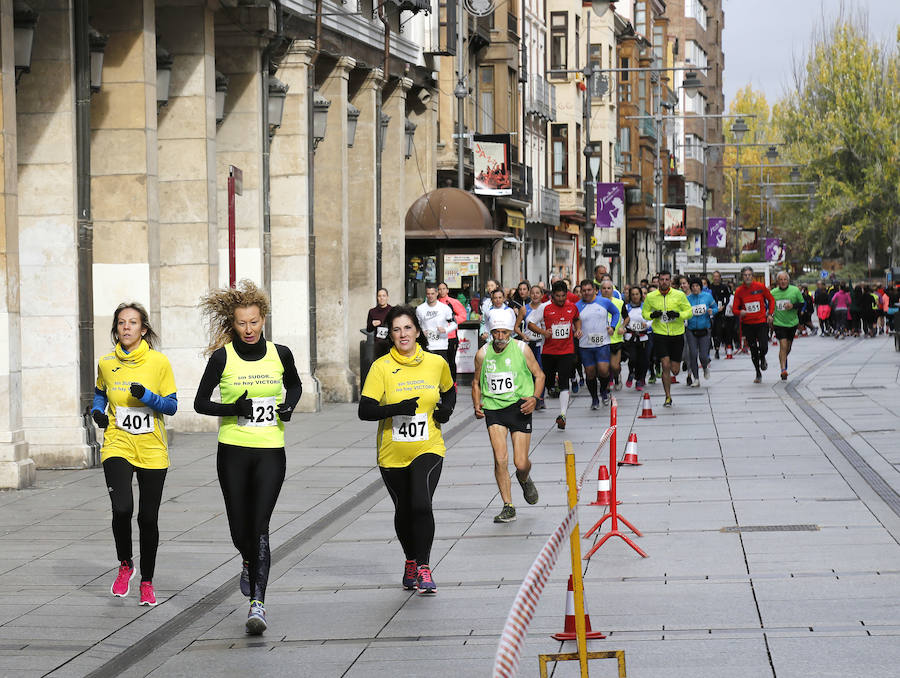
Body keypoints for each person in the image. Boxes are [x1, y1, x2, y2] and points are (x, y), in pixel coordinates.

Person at [194, 281, 302, 635]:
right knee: (240, 528)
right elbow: (199, 403)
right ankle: (246, 559)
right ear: (233, 324)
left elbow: (296, 385)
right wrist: (232, 408)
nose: (249, 329)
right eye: (242, 323)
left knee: (259, 527)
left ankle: (258, 602)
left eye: (254, 322)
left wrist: (288, 405)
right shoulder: (223, 357)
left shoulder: (280, 353)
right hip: (234, 450)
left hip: (271, 449)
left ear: (263, 320)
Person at [358, 306, 455, 594]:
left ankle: (424, 567)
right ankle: (410, 560)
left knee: (421, 504)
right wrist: (396, 409)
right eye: (397, 329)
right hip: (392, 451)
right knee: (404, 509)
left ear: (417, 331)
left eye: (408, 328)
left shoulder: (436, 363)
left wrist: (446, 410)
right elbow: (365, 410)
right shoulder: (381, 367)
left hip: (428, 446)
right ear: (391, 334)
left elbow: (448, 391)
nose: (403, 334)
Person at [92, 303, 177, 608]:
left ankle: (147, 581)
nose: (126, 327)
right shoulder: (105, 362)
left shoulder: (159, 363)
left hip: (152, 449)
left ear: (143, 329)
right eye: (121, 323)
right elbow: (100, 392)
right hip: (117, 443)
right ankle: (125, 564)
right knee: (121, 509)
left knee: (148, 518)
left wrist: (147, 397)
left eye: (133, 323)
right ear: (116, 328)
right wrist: (98, 412)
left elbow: (171, 406)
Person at [472, 308, 544, 523]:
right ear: (491, 332)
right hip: (494, 409)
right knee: (500, 459)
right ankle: (508, 505)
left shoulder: (522, 349)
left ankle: (524, 478)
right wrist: (477, 404)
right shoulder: (483, 353)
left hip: (519, 407)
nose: (501, 337)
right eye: (496, 333)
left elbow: (539, 375)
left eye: (505, 332)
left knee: (520, 463)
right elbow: (476, 383)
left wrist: (535, 399)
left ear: (511, 332)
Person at [528, 280, 581, 429]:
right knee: (549, 383)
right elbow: (530, 323)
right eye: (558, 296)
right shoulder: (544, 308)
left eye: (563, 296)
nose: (561, 299)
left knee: (564, 381)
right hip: (549, 352)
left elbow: (577, 319)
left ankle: (563, 415)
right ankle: (553, 385)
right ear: (552, 295)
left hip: (567, 350)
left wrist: (577, 329)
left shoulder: (572, 307)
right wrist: (543, 332)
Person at [642, 271, 691, 407]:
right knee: (665, 365)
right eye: (661, 279)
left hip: (677, 334)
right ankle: (668, 397)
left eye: (666, 279)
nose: (664, 282)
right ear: (658, 281)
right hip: (660, 334)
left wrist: (678, 314)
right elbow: (644, 313)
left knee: (675, 370)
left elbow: (689, 312)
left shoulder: (679, 295)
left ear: (670, 281)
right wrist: (653, 314)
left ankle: (676, 370)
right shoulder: (651, 297)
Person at [576, 280, 620, 409]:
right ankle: (594, 398)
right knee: (590, 373)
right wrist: (576, 330)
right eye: (583, 291)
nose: (586, 293)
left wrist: (612, 327)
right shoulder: (577, 306)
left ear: (595, 290)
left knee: (603, 369)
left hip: (602, 343)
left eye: (589, 290)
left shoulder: (604, 302)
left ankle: (604, 391)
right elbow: (573, 321)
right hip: (585, 345)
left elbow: (616, 313)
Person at [732, 266, 776, 384]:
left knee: (764, 347)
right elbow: (735, 309)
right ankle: (758, 372)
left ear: (753, 276)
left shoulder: (760, 287)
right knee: (753, 349)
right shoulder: (739, 291)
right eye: (745, 275)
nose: (747, 277)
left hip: (761, 322)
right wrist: (740, 312)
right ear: (742, 277)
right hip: (748, 324)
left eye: (749, 275)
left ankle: (762, 357)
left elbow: (771, 300)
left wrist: (770, 314)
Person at [769, 271, 805, 380]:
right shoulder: (773, 292)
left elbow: (803, 303)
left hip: (792, 323)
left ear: (788, 280)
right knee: (783, 345)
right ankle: (783, 369)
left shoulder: (795, 290)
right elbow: (769, 305)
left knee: (788, 347)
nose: (783, 281)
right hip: (779, 323)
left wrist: (793, 305)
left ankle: (783, 358)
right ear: (777, 281)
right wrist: (770, 315)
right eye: (780, 279)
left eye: (785, 279)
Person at [685, 277, 717, 387]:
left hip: (704, 329)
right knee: (693, 354)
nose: (695, 288)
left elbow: (715, 307)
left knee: (703, 355)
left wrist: (712, 311)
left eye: (697, 286)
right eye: (693, 286)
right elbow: (683, 311)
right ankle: (696, 379)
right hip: (691, 330)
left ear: (700, 287)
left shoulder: (707, 297)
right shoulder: (687, 299)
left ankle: (704, 367)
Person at [416, 283, 457, 364]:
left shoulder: (445, 308)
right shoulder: (420, 309)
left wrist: (445, 330)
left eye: (432, 294)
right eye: (428, 294)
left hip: (441, 345)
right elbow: (417, 325)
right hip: (427, 345)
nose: (430, 296)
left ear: (437, 293)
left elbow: (454, 324)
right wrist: (421, 331)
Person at [438, 282, 467, 383]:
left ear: (447, 290)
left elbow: (463, 315)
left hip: (451, 336)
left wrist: (451, 321)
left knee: (451, 361)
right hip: (438, 338)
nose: (441, 291)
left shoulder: (452, 302)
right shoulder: (434, 303)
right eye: (439, 289)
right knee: (439, 362)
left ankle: (453, 383)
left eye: (444, 289)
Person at [600, 279, 626, 390]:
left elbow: (627, 317)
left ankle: (616, 376)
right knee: (603, 367)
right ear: (601, 290)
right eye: (604, 288)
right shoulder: (596, 303)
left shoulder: (619, 303)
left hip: (616, 339)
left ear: (612, 290)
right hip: (601, 339)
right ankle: (605, 385)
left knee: (615, 366)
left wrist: (622, 326)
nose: (606, 290)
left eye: (608, 288)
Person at [623, 286, 650, 390]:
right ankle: (631, 373)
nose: (635, 296)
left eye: (637, 294)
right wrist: (624, 328)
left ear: (640, 295)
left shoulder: (645, 307)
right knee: (633, 358)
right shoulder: (626, 307)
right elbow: (623, 320)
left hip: (643, 337)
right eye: (633, 294)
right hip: (630, 337)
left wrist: (646, 325)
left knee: (642, 360)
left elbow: (650, 319)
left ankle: (639, 380)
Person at [708, 271, 731, 359]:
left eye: (717, 276)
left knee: (720, 330)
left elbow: (728, 297)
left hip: (721, 312)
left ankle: (721, 348)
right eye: (714, 276)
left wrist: (724, 306)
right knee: (714, 331)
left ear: (720, 277)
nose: (716, 278)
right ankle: (715, 347)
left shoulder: (724, 287)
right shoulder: (710, 287)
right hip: (711, 311)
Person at [366, 288, 393, 359]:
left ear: (387, 297)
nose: (382, 298)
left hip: (391, 343)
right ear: (377, 298)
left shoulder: (392, 310)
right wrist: (372, 324)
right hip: (378, 345)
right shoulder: (372, 311)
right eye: (379, 296)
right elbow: (368, 329)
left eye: (384, 296)